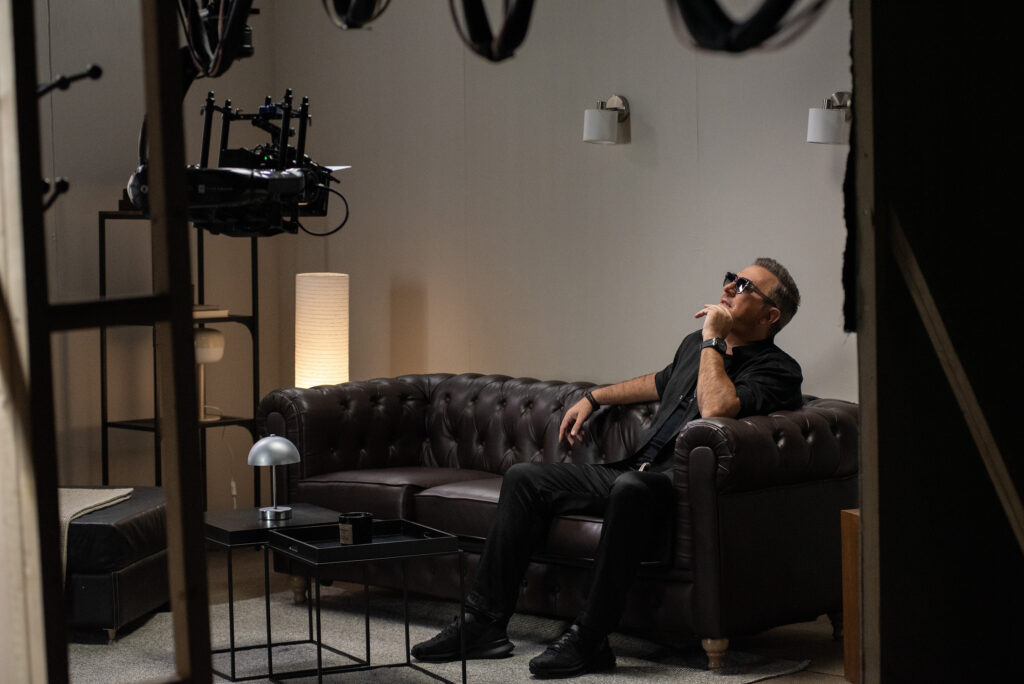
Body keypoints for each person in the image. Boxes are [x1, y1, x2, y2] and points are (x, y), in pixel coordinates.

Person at [411, 258, 803, 678]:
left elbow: (716, 408)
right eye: (731, 279)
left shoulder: (778, 370)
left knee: (632, 488)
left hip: (679, 490)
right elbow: (660, 381)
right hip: (636, 469)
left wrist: (713, 341)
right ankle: (483, 622)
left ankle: (590, 639)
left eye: (743, 286)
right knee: (525, 478)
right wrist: (594, 397)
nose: (728, 288)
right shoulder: (695, 345)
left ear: (770, 316)